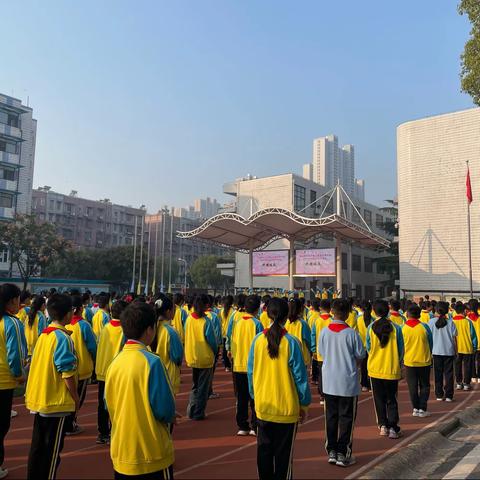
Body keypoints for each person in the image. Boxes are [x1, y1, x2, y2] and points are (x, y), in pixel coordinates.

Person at [105, 301, 175, 479]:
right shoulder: (152, 362)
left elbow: (108, 404)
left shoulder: (114, 363)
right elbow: (165, 409)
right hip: (151, 452)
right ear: (149, 330)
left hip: (122, 451)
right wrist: (171, 415)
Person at [247, 298, 311, 480]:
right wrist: (304, 404)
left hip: (264, 407)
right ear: (286, 315)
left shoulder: (257, 341)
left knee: (264, 454)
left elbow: (251, 374)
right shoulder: (292, 343)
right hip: (286, 409)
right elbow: (301, 378)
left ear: (267, 313)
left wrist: (255, 397)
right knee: (284, 458)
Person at [26, 293, 79, 480]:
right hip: (56, 403)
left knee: (37, 448)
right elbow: (67, 373)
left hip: (40, 399)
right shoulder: (63, 339)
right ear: (67, 315)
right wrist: (76, 397)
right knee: (51, 453)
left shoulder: (45, 335)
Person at [319, 299, 365, 467]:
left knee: (331, 417)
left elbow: (321, 353)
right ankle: (342, 452)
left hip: (329, 381)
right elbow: (360, 355)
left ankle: (331, 450)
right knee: (346, 418)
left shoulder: (324, 332)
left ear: (332, 311)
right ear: (347, 314)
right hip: (347, 382)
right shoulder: (352, 334)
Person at [366, 299, 404, 439]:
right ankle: (393, 427)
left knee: (378, 399)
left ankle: (383, 426)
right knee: (392, 399)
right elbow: (401, 350)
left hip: (375, 369)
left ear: (374, 311)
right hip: (391, 369)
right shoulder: (396, 328)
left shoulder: (370, 327)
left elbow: (368, 348)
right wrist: (399, 363)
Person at [0, 284, 26, 479]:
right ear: (11, 301)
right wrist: (19, 375)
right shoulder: (12, 323)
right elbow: (15, 355)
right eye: (18, 299)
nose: (20, 303)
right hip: (3, 382)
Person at [227, 295, 263, 436]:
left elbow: (230, 339)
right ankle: (255, 425)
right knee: (254, 397)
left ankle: (242, 425)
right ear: (257, 308)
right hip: (252, 366)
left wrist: (230, 352)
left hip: (238, 365)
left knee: (241, 397)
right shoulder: (257, 324)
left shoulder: (237, 323)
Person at [95, 300, 127, 445]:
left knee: (102, 404)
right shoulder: (124, 331)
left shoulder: (105, 328)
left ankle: (102, 433)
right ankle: (115, 431)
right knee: (116, 403)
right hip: (116, 372)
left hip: (102, 370)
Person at [64, 296, 97, 435]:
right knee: (78, 398)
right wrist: (95, 360)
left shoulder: (63, 323)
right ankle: (70, 424)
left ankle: (67, 422)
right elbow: (92, 347)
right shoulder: (84, 325)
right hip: (82, 367)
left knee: (68, 396)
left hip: (66, 368)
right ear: (80, 309)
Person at [185, 296, 218, 420]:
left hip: (192, 356)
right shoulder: (206, 321)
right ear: (205, 306)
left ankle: (191, 410)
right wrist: (215, 351)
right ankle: (199, 413)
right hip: (205, 357)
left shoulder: (189, 319)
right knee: (203, 388)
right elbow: (212, 341)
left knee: (195, 385)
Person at [402, 304, 433, 417]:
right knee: (425, 385)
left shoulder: (402, 328)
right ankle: (422, 408)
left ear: (407, 314)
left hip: (409, 362)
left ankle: (415, 408)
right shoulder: (425, 327)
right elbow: (431, 343)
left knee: (412, 387)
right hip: (424, 360)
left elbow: (400, 346)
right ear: (419, 315)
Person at [152, 294, 184, 396]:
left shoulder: (151, 328)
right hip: (168, 374)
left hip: (152, 373)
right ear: (168, 311)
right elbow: (177, 356)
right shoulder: (171, 331)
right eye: (173, 309)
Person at [429, 302, 457, 402]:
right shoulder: (451, 322)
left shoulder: (431, 322)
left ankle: (439, 394)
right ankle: (449, 395)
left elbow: (428, 337)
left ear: (436, 310)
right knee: (449, 374)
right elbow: (454, 339)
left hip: (436, 351)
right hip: (449, 351)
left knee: (438, 374)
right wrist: (456, 351)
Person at [452, 302, 477, 391]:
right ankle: (466, 383)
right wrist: (474, 346)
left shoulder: (452, 321)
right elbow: (473, 336)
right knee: (467, 366)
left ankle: (459, 383)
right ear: (464, 311)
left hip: (456, 349)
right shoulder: (468, 322)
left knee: (457, 366)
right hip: (467, 347)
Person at [311, 299, 332, 404]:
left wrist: (314, 349)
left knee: (321, 374)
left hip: (320, 352)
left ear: (320, 308)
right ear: (330, 308)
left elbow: (313, 335)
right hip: (331, 353)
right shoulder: (332, 320)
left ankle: (322, 395)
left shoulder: (317, 321)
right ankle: (329, 393)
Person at [285, 298, 312, 366]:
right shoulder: (303, 324)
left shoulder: (285, 322)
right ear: (301, 309)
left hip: (287, 355)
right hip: (301, 358)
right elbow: (309, 342)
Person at [357, 301, 372, 392]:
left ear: (361, 309)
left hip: (361, 345)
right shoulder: (373, 319)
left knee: (363, 366)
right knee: (370, 366)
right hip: (371, 346)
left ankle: (364, 384)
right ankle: (370, 385)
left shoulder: (358, 319)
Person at [466, 299, 480, 382]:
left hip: (470, 343)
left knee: (471, 360)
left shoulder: (467, 318)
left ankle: (473, 376)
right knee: (479, 360)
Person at [220, 295, 234, 372]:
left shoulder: (222, 311)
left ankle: (227, 366)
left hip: (223, 333)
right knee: (230, 350)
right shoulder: (233, 311)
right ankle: (231, 364)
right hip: (230, 333)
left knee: (224, 351)